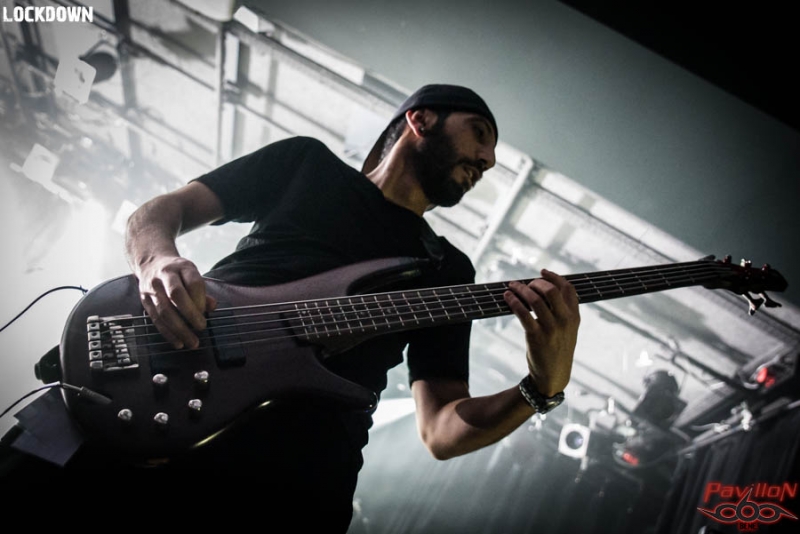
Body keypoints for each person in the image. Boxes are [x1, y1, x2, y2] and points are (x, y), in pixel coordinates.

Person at [3, 84, 580, 529]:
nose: (488, 159)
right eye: (479, 133)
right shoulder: (308, 165)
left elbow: (440, 428)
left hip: (286, 484)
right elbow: (157, 214)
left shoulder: (448, 271)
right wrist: (157, 262)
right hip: (154, 387)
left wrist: (540, 388)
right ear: (420, 119)